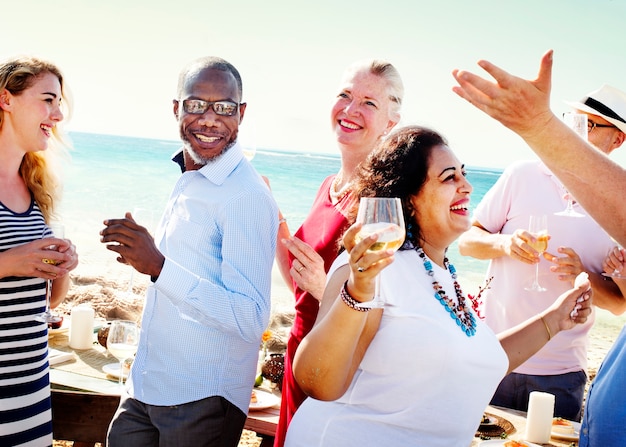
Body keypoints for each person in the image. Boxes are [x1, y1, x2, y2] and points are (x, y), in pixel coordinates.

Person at [283, 125, 592, 447]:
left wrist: (555, 320)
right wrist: (358, 291)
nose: (468, 187)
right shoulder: (375, 266)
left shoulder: (440, 272)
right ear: (409, 198)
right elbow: (317, 382)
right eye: (449, 178)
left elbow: (476, 358)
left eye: (464, 175)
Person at [101, 56, 279, 447]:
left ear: (242, 113)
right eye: (196, 104)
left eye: (224, 108)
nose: (210, 119)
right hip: (146, 384)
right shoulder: (190, 174)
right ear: (177, 109)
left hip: (202, 399)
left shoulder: (245, 196)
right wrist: (141, 255)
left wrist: (159, 266)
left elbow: (250, 318)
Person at [451, 49, 626, 447]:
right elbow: (467, 241)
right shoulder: (521, 173)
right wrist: (505, 243)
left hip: (562, 375)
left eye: (590, 124)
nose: (576, 130)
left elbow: (619, 304)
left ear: (617, 139)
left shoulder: (619, 205)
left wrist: (586, 276)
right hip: (494, 355)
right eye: (574, 120)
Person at [272, 59, 403, 447]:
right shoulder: (329, 184)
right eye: (345, 95)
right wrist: (270, 214)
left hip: (340, 370)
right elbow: (300, 277)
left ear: (391, 123)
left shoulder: (382, 202)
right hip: (300, 351)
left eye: (368, 102)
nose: (350, 110)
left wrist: (324, 288)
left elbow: (390, 311)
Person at [0, 56, 78, 446]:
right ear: (6, 99)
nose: (58, 114)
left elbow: (46, 301)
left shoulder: (34, 187)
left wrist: (60, 266)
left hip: (30, 383)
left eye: (59, 103)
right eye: (48, 100)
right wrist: (12, 261)